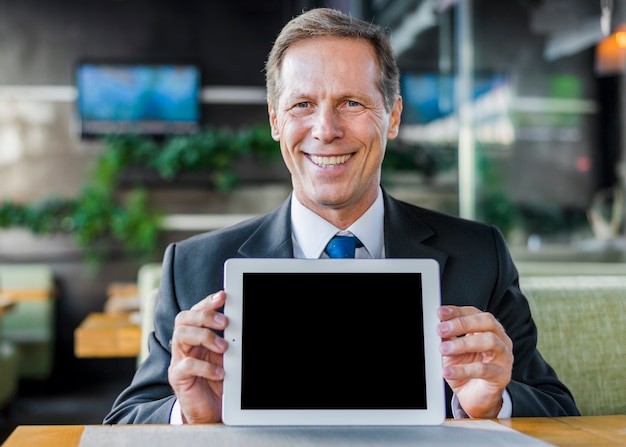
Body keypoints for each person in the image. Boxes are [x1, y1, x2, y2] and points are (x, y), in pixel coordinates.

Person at [104, 7, 579, 424]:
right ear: (275, 121)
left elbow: (558, 409)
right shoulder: (192, 268)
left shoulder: (480, 255)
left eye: (351, 103)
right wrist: (189, 413)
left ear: (392, 117)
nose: (325, 130)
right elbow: (125, 420)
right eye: (302, 105)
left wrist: (492, 406)